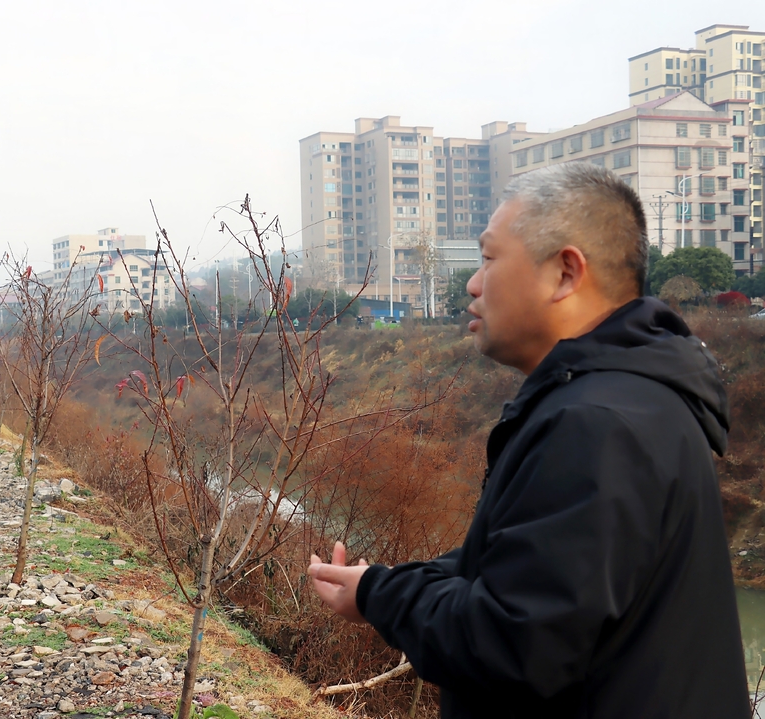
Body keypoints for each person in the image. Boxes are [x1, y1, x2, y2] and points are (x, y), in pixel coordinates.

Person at [308, 164, 750, 718]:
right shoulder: (629, 401)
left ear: (565, 273)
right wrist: (385, 584)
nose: (472, 283)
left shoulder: (598, 425)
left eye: (489, 259)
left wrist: (382, 596)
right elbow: (528, 568)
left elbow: (512, 643)